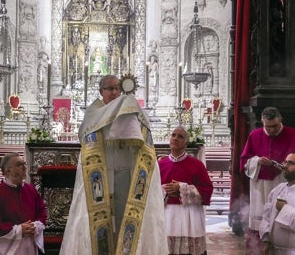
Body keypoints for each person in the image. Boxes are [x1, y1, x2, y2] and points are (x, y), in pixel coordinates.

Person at [60, 75, 167, 254]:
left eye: (117, 88)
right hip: (101, 176)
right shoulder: (93, 113)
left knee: (126, 216)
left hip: (127, 175)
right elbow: (86, 140)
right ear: (101, 91)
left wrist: (131, 116)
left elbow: (144, 138)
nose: (114, 92)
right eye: (110, 89)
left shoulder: (131, 110)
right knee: (102, 219)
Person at [239, 106, 295, 252]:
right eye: (267, 126)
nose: (271, 130)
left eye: (275, 126)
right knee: (260, 220)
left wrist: (279, 165)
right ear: (262, 122)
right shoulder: (255, 135)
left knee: (280, 220)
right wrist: (257, 161)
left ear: (281, 120)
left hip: (282, 183)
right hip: (259, 187)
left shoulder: (292, 134)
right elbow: (244, 162)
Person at [0, 153, 48, 255]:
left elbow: (42, 211)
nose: (24, 167)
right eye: (19, 164)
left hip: (27, 244)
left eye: (24, 163)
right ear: (8, 171)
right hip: (4, 247)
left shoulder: (30, 190)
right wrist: (18, 230)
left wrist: (36, 225)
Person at [159, 126, 214, 255]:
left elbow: (207, 191)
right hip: (168, 215)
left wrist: (182, 188)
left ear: (186, 143)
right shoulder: (160, 165)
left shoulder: (197, 165)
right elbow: (151, 192)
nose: (175, 138)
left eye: (180, 136)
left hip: (190, 216)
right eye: (173, 135)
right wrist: (165, 190)